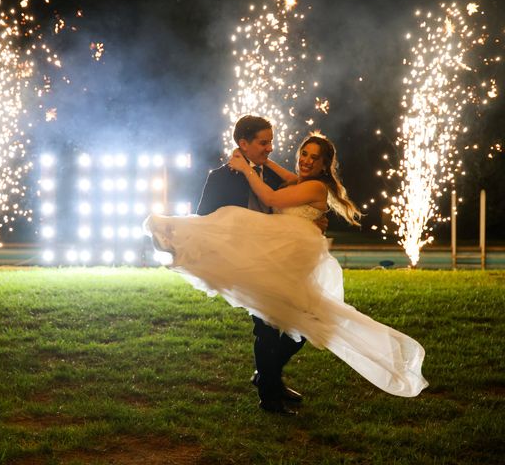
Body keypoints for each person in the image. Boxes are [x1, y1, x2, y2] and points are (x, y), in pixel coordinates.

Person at [144, 119, 428, 413]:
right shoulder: (223, 177)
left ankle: (268, 377)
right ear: (244, 144)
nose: (271, 148)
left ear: (323, 164)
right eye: (264, 143)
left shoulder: (278, 178)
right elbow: (205, 220)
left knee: (303, 324)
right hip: (251, 262)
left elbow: (276, 199)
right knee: (268, 328)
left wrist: (309, 220)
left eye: (312, 157)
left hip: (286, 261)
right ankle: (269, 394)